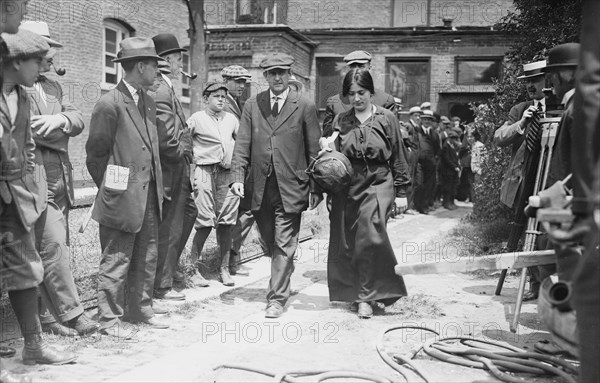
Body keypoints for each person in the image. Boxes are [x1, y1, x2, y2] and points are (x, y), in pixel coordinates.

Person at [1, 27, 76, 366]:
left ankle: (33, 345)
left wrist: (27, 188)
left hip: (15, 196)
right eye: (37, 61)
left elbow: (29, 147)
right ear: (15, 62)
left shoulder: (23, 94)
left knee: (25, 267)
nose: (44, 66)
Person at [20, 21, 99, 337]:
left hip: (60, 177)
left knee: (52, 245)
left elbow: (79, 119)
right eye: (47, 49)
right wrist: (58, 133)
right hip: (33, 172)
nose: (52, 56)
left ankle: (47, 319)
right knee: (52, 245)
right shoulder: (10, 86)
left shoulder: (53, 86)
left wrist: (60, 119)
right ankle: (73, 314)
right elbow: (28, 134)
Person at [230, 52, 322, 318]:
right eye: (272, 73)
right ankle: (283, 271)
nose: (278, 77)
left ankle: (277, 298)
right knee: (269, 241)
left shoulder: (303, 105)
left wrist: (315, 187)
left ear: (289, 74)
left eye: (282, 72)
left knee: (284, 242)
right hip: (259, 185)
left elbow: (313, 148)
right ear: (266, 76)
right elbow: (242, 145)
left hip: (291, 185)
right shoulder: (253, 104)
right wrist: (237, 178)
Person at [86, 37, 167, 338]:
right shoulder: (109, 104)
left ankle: (141, 310)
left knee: (147, 254)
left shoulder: (147, 100)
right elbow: (96, 156)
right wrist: (114, 189)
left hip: (149, 193)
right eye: (155, 64)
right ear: (141, 66)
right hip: (122, 195)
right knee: (117, 257)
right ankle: (109, 319)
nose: (158, 71)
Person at [324, 68, 410, 319]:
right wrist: (327, 148)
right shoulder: (341, 120)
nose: (357, 99)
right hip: (348, 183)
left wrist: (402, 191)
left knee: (371, 234)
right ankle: (358, 292)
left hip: (379, 181)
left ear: (371, 92)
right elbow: (332, 153)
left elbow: (398, 154)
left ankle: (367, 297)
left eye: (361, 93)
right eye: (351, 94)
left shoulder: (386, 118)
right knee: (349, 239)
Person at [150, 33, 201, 301]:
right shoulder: (160, 89)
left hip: (179, 168)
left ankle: (167, 271)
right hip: (172, 169)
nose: (181, 65)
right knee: (170, 227)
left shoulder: (166, 88)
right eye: (178, 58)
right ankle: (161, 284)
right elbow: (167, 141)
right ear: (167, 60)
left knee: (188, 215)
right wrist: (184, 149)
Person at [494, 59, 550, 301]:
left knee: (546, 232)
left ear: (549, 80)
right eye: (528, 81)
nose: (531, 86)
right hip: (523, 179)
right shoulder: (520, 109)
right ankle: (534, 285)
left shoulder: (560, 105)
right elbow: (499, 137)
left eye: (536, 80)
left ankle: (547, 285)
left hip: (549, 177)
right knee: (525, 229)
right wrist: (522, 122)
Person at [187, 81, 240, 287]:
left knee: (226, 221)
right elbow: (183, 141)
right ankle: (193, 269)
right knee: (205, 220)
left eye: (223, 97)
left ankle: (224, 269)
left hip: (226, 173)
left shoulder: (231, 119)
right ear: (205, 99)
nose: (221, 100)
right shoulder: (197, 119)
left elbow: (242, 143)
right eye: (216, 96)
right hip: (204, 171)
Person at [221, 64, 261, 276]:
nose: (241, 86)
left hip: (240, 166)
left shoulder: (237, 103)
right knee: (234, 213)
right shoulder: (223, 103)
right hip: (227, 167)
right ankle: (227, 260)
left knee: (245, 211)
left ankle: (232, 255)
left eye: (244, 82)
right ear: (225, 80)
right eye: (237, 81)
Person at [322, 50, 396, 137]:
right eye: (352, 67)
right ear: (346, 70)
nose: (357, 70)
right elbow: (328, 138)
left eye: (361, 66)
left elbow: (393, 139)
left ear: (370, 68)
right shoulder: (334, 102)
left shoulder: (386, 100)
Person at [414, 109, 440, 214]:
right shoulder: (416, 131)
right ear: (421, 120)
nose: (426, 121)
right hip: (420, 163)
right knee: (419, 184)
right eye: (424, 119)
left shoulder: (434, 134)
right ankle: (417, 205)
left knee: (429, 185)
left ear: (431, 121)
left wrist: (433, 159)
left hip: (430, 163)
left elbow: (437, 149)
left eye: (429, 119)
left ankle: (424, 206)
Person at [402, 106, 421, 215]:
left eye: (419, 116)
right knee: (409, 181)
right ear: (411, 116)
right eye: (415, 115)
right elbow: (405, 139)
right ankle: (407, 207)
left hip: (414, 158)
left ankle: (410, 205)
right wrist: (409, 149)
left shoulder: (416, 127)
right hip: (409, 158)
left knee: (414, 182)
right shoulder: (409, 126)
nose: (418, 118)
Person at [440, 130, 461, 210]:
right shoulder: (445, 146)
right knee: (447, 188)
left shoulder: (452, 146)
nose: (454, 140)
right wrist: (454, 166)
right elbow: (446, 159)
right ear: (449, 138)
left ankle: (451, 202)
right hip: (447, 170)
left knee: (453, 187)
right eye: (453, 138)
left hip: (453, 170)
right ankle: (446, 203)